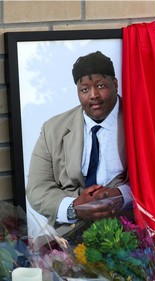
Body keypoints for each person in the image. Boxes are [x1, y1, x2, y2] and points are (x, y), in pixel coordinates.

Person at [26, 51, 132, 231]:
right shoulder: (52, 129)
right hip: (70, 233)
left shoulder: (140, 122)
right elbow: (37, 188)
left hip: (131, 228)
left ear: (115, 84)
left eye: (101, 85)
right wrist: (74, 207)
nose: (93, 95)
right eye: (84, 89)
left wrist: (123, 195)